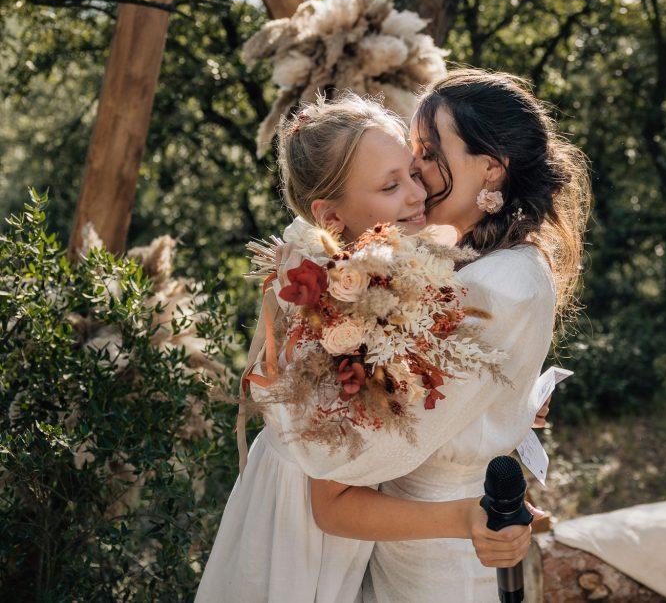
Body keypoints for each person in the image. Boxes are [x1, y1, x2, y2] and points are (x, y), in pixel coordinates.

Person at [196, 92, 544, 602]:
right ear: (330, 218)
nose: (418, 191)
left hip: (364, 528)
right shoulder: (345, 303)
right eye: (391, 184)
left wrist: (512, 399)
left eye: (416, 168)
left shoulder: (389, 272)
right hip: (305, 534)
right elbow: (331, 498)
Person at [321, 68, 590, 601]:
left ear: (490, 168)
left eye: (428, 151)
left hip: (446, 552)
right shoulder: (469, 261)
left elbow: (359, 453)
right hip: (410, 532)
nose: (413, 168)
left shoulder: (501, 283)